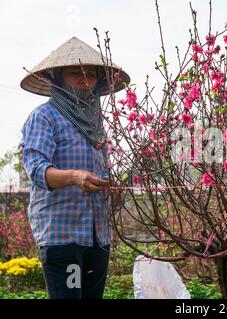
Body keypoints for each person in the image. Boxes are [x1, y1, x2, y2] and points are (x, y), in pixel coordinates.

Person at [20, 36, 130, 299]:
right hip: (62, 234)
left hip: (97, 234)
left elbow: (103, 172)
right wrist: (75, 177)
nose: (84, 79)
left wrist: (112, 190)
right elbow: (36, 170)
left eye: (91, 74)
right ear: (57, 78)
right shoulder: (44, 117)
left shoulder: (97, 125)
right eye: (75, 73)